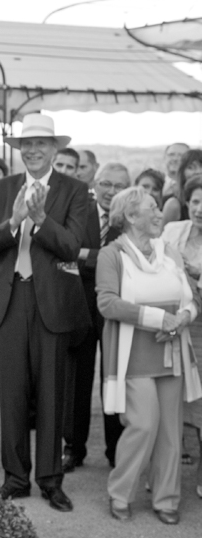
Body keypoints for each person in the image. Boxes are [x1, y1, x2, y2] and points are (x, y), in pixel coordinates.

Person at [0, 113, 90, 512]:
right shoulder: (4, 187)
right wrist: (14, 220)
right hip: (7, 302)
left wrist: (41, 220)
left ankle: (50, 479)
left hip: (52, 304)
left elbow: (74, 245)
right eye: (27, 144)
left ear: (55, 148)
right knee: (10, 395)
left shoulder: (75, 189)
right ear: (19, 150)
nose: (33, 150)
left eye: (42, 143)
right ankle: (15, 478)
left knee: (51, 395)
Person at [97, 186, 202, 525]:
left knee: (171, 429)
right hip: (133, 357)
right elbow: (108, 303)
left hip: (172, 352)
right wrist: (160, 318)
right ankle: (120, 492)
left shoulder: (168, 250)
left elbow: (190, 299)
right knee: (143, 424)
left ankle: (166, 498)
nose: (162, 214)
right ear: (130, 216)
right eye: (153, 208)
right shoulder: (111, 254)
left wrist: (182, 318)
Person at [64, 163, 130, 472]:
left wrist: (86, 256)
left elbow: (128, 262)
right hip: (79, 307)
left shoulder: (129, 219)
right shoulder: (81, 211)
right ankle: (74, 449)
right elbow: (68, 250)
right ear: (95, 184)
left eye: (119, 185)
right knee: (78, 380)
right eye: (105, 183)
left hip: (116, 311)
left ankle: (115, 450)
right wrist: (99, 258)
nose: (111, 191)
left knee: (113, 379)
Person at [160, 174, 202, 501]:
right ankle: (164, 473)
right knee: (180, 402)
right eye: (197, 201)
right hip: (179, 326)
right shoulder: (174, 230)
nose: (200, 208)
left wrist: (198, 276)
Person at [162, 149, 202, 225]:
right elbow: (164, 235)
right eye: (191, 167)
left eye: (201, 167)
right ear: (182, 172)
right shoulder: (173, 204)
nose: (198, 172)